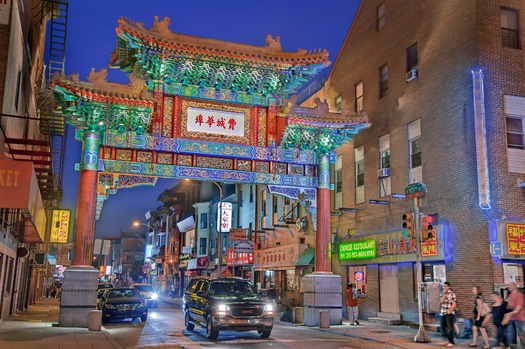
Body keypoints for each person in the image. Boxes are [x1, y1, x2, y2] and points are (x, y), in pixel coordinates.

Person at [507, 282, 525, 348]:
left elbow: (519, 307)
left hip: (519, 318)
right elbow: (508, 306)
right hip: (512, 318)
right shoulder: (510, 296)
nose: (508, 287)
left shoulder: (519, 295)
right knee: (511, 333)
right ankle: (513, 346)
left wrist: (512, 313)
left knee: (522, 333)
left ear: (514, 286)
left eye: (509, 286)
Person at [440, 281, 457, 348]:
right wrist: (444, 294)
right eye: (444, 286)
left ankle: (451, 342)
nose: (444, 287)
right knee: (442, 327)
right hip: (442, 312)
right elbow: (441, 301)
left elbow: (454, 304)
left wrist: (450, 310)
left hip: (449, 313)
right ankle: (448, 338)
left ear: (449, 287)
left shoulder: (452, 294)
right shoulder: (442, 293)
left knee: (450, 328)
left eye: (446, 286)